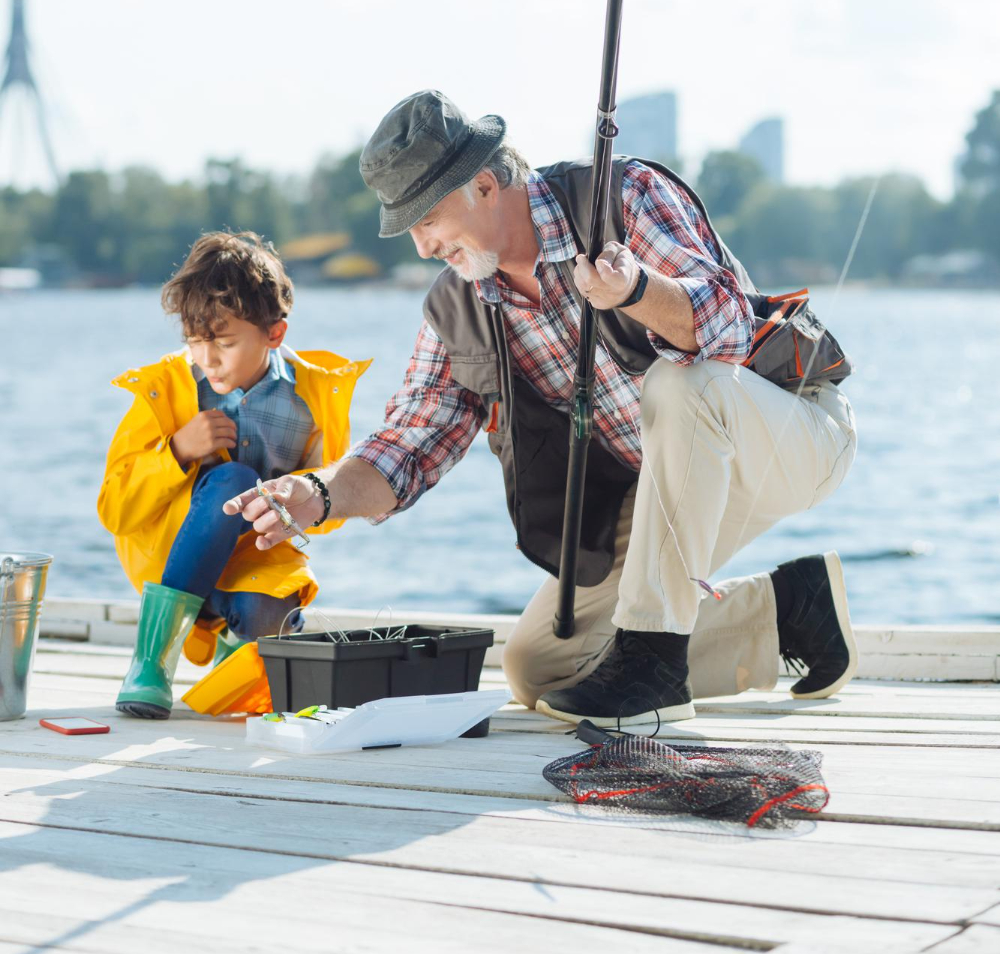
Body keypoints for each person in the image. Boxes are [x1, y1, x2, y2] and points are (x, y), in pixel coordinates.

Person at [226, 92, 858, 727]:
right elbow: (410, 443)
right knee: (541, 666)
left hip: (790, 434)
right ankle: (792, 612)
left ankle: (654, 666)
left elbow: (728, 331)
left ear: (482, 185)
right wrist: (317, 491)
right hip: (667, 487)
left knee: (679, 384)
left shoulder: (624, 193)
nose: (423, 247)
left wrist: (635, 291)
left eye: (427, 219)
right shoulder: (458, 307)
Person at [98, 230, 368, 719]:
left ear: (274, 334)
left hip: (251, 563)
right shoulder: (164, 390)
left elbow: (328, 511)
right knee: (232, 479)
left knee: (276, 615)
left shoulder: (313, 400)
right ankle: (150, 663)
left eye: (223, 342)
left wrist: (296, 498)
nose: (207, 358)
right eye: (195, 341)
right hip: (172, 560)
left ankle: (235, 650)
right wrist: (178, 451)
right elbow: (115, 510)